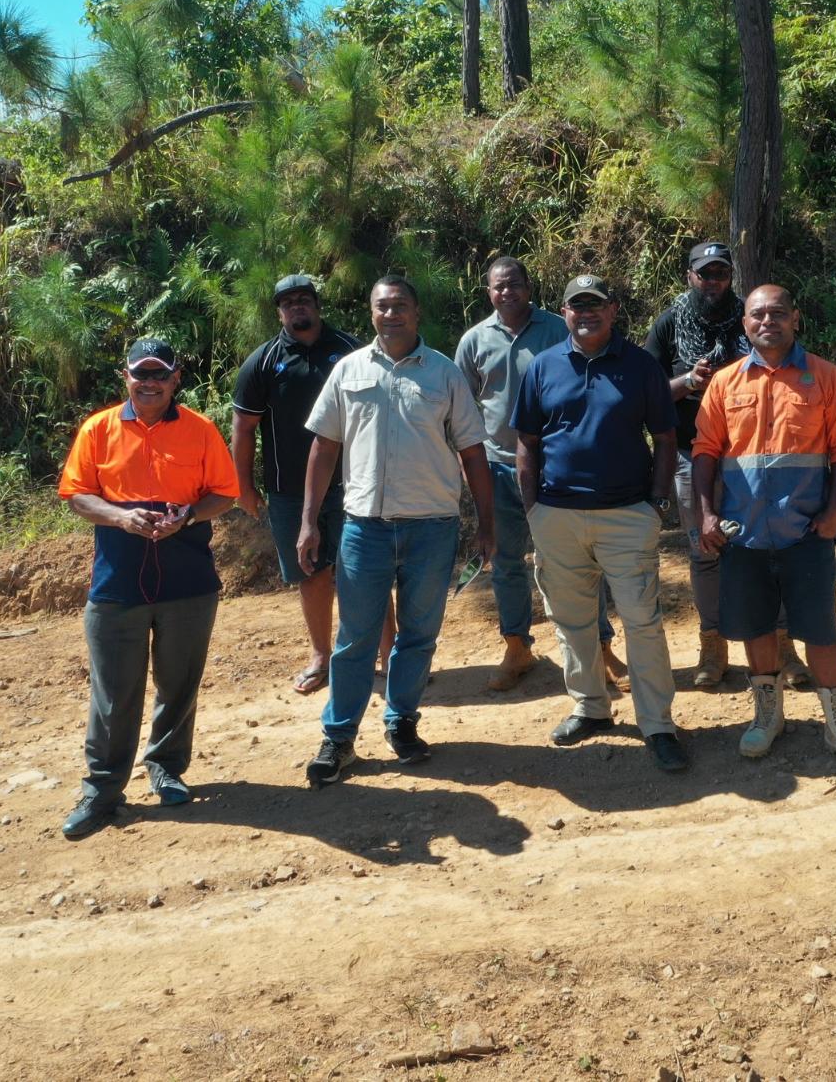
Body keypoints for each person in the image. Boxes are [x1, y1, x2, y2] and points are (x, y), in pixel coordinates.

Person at [298, 275, 497, 785]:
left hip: (432, 527)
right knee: (355, 638)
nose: (391, 314)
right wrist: (308, 522)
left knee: (418, 635)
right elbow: (324, 448)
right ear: (371, 314)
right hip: (364, 528)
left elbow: (473, 452)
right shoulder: (348, 370)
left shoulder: (445, 375)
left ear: (417, 312)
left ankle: (402, 722)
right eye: (382, 306)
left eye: (400, 306)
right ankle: (339, 738)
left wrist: (486, 522)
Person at [56, 338, 240, 840]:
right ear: (127, 376)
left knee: (179, 683)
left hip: (188, 577)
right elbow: (76, 493)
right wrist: (120, 516)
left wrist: (187, 515)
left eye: (161, 373)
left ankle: (166, 767)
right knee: (114, 694)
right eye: (142, 373)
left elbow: (225, 494)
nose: (151, 382)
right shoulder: (98, 429)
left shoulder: (201, 431)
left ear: (176, 378)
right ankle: (102, 790)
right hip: (118, 577)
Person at [691, 284, 836, 772]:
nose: (766, 321)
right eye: (757, 315)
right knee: (756, 629)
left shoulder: (827, 377)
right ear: (745, 324)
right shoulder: (724, 383)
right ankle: (767, 717)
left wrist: (835, 512)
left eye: (777, 313)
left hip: (806, 532)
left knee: (819, 633)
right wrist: (707, 515)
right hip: (744, 534)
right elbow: (705, 453)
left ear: (795, 318)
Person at [510, 274, 687, 772]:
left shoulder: (641, 367)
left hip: (626, 515)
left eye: (595, 305)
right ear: (563, 313)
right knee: (572, 620)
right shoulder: (543, 367)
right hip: (556, 515)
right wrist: (533, 508)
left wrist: (653, 503)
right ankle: (591, 706)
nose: (585, 313)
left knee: (642, 621)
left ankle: (657, 724)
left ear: (613, 310)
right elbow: (527, 441)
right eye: (575, 306)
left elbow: (665, 439)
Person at [644, 240, 806, 691]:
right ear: (689, 275)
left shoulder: (755, 318)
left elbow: (785, 372)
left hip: (751, 457)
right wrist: (687, 382)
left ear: (731, 277)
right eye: (704, 273)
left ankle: (783, 643)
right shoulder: (670, 323)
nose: (712, 281)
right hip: (688, 454)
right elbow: (645, 392)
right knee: (705, 552)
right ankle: (712, 644)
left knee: (770, 547)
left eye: (720, 273)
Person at [455, 256, 619, 693]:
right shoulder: (474, 341)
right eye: (498, 286)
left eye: (514, 285)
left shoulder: (556, 329)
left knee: (580, 561)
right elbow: (460, 407)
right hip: (496, 468)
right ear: (488, 292)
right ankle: (517, 647)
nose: (507, 293)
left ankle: (601, 648)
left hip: (557, 466)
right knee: (506, 562)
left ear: (529, 287)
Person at [232, 273, 394, 693]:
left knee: (367, 571)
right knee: (311, 573)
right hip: (288, 490)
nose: (297, 307)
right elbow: (244, 426)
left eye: (305, 299)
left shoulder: (350, 351)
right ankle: (321, 657)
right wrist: (244, 486)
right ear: (279, 312)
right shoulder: (263, 362)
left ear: (317, 305)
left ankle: (390, 657)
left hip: (352, 484)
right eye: (288, 302)